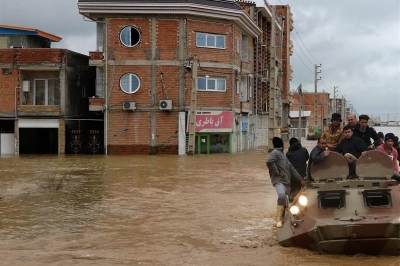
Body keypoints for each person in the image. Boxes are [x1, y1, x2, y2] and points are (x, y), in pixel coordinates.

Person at [266, 137, 306, 228]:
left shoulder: (283, 156)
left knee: (290, 200)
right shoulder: (275, 153)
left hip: (286, 182)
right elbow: (269, 161)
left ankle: (287, 218)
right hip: (279, 181)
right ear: (283, 145)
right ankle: (279, 219)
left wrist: (300, 179)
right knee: (281, 196)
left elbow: (292, 169)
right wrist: (276, 171)